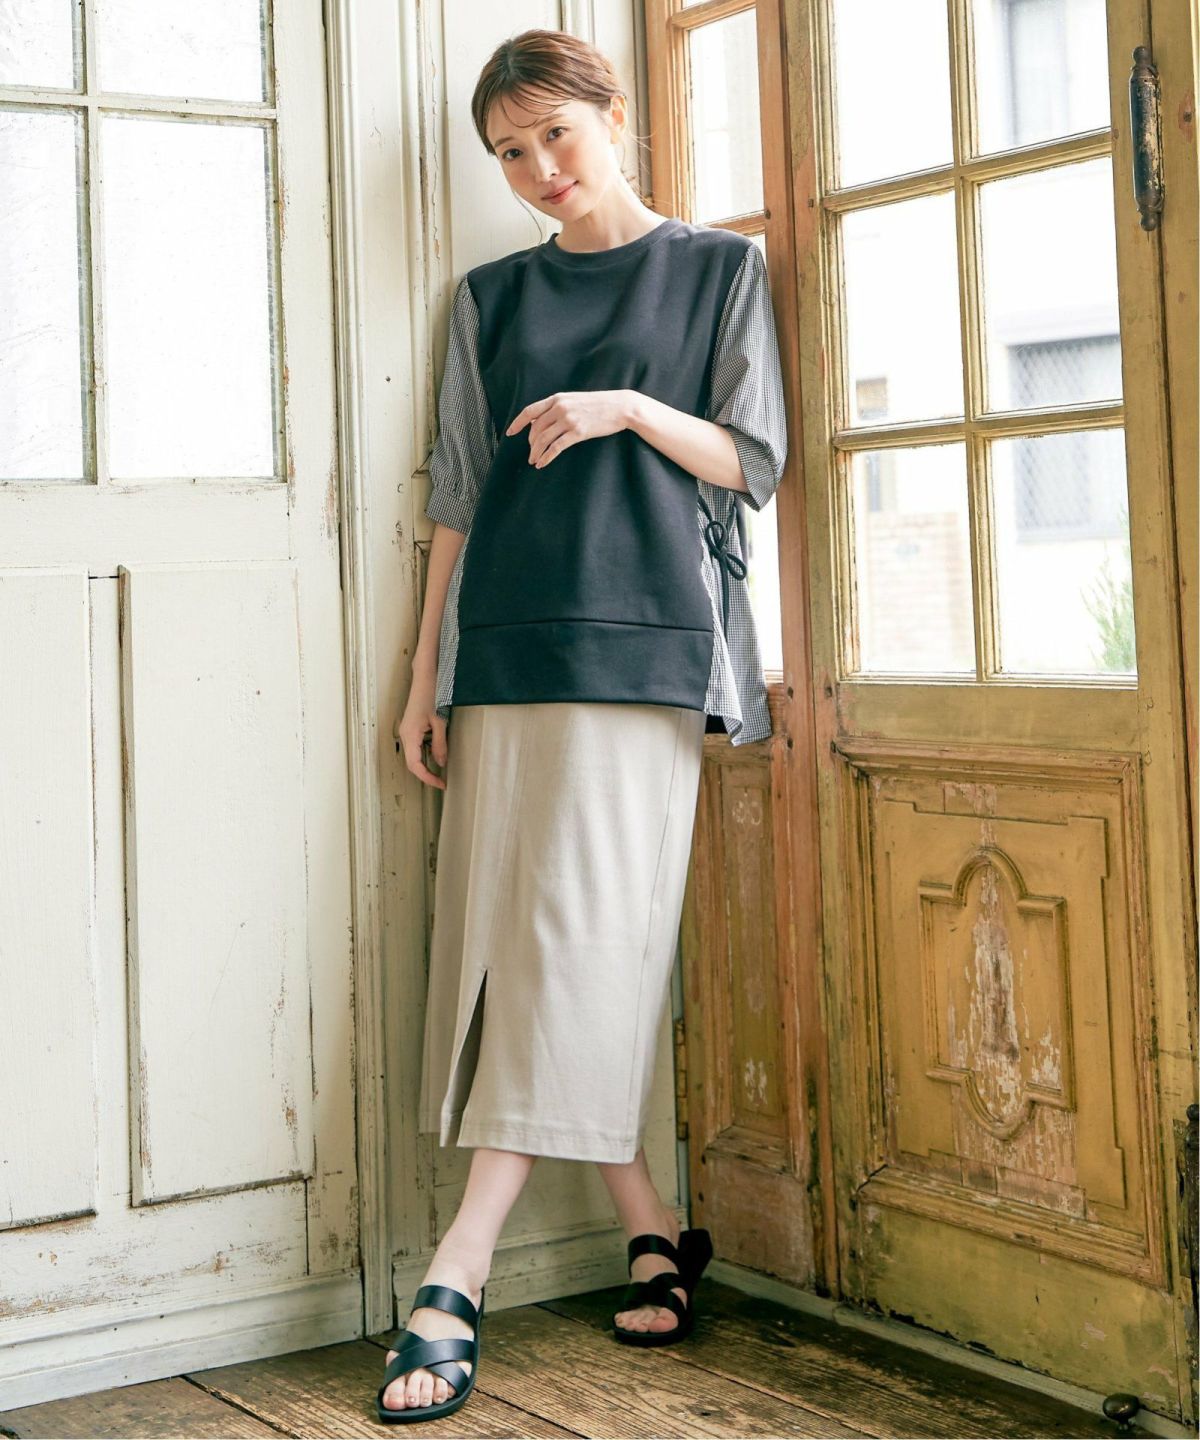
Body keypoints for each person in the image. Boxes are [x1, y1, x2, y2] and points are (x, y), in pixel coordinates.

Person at [381, 26, 787, 1424]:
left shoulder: (719, 271)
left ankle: (459, 1269)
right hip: (503, 646)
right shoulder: (488, 300)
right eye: (509, 152)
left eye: (555, 132)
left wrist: (624, 407)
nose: (538, 168)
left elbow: (751, 459)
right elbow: (456, 494)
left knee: (576, 945)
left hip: (647, 650)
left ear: (613, 116)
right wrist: (422, 676)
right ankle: (655, 1232)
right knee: (518, 947)